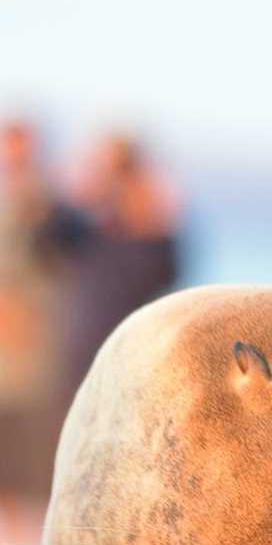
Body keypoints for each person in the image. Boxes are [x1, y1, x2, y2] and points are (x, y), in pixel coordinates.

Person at [0, 118, 77, 545]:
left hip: (38, 374)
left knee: (39, 493)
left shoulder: (48, 210)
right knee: (1, 492)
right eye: (3, 157)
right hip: (0, 375)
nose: (8, 168)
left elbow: (58, 246)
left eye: (18, 157)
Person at [58, 133, 182, 400]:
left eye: (124, 172)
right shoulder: (89, 229)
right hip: (78, 367)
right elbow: (47, 236)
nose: (117, 184)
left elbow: (166, 274)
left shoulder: (154, 241)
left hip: (129, 365)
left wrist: (152, 211)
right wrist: (84, 189)